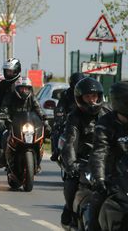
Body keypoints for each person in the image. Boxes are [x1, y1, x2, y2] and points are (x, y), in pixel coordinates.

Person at [59, 77, 108, 229]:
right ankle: (70, 211)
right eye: (87, 97)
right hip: (83, 161)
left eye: (94, 96)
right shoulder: (74, 117)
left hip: (107, 160)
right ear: (80, 98)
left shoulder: (108, 113)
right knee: (72, 182)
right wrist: (72, 165)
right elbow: (69, 143)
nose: (92, 100)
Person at [89, 81, 128, 231]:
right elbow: (99, 152)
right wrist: (99, 179)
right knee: (96, 207)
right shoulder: (105, 123)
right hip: (113, 178)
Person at [0, 77, 50, 176]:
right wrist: (2, 117)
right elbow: (4, 108)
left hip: (29, 125)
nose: (24, 90)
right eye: (22, 88)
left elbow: (39, 110)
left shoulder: (32, 98)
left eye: (26, 88)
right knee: (5, 135)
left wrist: (45, 120)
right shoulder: (10, 97)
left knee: (40, 139)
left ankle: (37, 163)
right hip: (13, 124)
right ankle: (4, 158)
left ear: (30, 89)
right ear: (17, 88)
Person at [50, 72, 86, 161]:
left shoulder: (86, 93)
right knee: (57, 129)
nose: (78, 86)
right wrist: (59, 115)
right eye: (76, 84)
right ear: (72, 84)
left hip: (85, 119)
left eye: (80, 84)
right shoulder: (66, 94)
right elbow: (60, 107)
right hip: (69, 119)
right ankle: (56, 151)